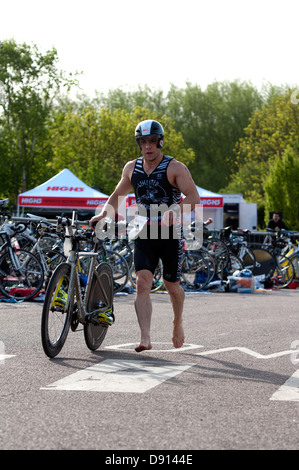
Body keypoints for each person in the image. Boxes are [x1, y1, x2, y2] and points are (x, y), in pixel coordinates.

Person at [89, 119, 201, 352]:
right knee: (142, 283)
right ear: (139, 144)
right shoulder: (132, 168)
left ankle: (177, 322)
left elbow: (194, 198)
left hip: (170, 235)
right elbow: (118, 195)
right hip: (144, 232)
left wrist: (176, 210)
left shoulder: (175, 167)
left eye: (152, 141)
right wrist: (103, 215)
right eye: (143, 142)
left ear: (160, 142)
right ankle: (145, 338)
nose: (148, 146)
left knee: (172, 286)